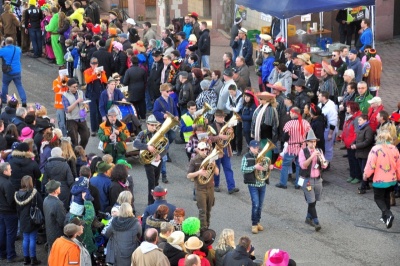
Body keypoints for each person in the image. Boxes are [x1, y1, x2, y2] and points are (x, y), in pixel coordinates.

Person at [364, 130, 400, 229]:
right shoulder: (394, 148)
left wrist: (366, 175)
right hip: (392, 178)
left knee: (378, 198)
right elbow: (398, 165)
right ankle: (385, 217)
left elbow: (371, 164)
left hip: (380, 179)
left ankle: (388, 214)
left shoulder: (376, 149)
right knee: (386, 196)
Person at [298, 129, 328, 231]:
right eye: (311, 141)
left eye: (314, 141)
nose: (313, 143)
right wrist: (311, 157)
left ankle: (308, 217)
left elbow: (324, 165)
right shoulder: (303, 152)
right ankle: (316, 222)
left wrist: (323, 161)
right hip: (307, 180)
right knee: (311, 201)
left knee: (314, 201)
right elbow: (303, 165)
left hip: (318, 179)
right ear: (307, 142)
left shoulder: (319, 151)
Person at [187, 141, 219, 232]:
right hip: (200, 189)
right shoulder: (194, 160)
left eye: (206, 149)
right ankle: (203, 230)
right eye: (202, 150)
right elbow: (188, 175)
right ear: (198, 150)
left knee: (209, 210)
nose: (204, 151)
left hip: (210, 188)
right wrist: (199, 173)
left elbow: (217, 173)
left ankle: (207, 227)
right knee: (202, 211)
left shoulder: (210, 159)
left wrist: (214, 165)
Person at [133, 115, 166, 204]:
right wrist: (147, 147)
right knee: (151, 183)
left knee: (156, 181)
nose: (153, 127)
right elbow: (135, 143)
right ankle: (150, 203)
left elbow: (166, 147)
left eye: (155, 125)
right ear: (147, 124)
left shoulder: (158, 133)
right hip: (148, 161)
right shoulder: (143, 133)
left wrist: (161, 155)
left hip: (157, 160)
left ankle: (157, 201)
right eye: (151, 125)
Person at [276, 107, 311, 189]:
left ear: (294, 113)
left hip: (291, 147)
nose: (290, 115)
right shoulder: (305, 122)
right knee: (299, 165)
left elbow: (285, 136)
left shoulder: (289, 123)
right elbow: (310, 133)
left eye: (291, 113)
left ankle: (283, 183)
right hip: (302, 147)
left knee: (285, 165)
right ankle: (298, 184)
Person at [241, 140, 271, 234]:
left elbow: (265, 168)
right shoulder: (246, 157)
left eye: (257, 148)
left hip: (262, 184)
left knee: (260, 205)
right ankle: (254, 224)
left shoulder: (263, 157)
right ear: (250, 147)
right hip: (253, 184)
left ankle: (258, 222)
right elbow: (243, 169)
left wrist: (268, 167)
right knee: (256, 204)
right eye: (254, 148)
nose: (256, 149)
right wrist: (254, 167)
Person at [209, 110, 239, 194]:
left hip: (225, 149)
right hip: (216, 150)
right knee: (216, 168)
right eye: (220, 117)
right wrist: (219, 136)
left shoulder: (227, 125)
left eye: (223, 117)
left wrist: (231, 133)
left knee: (228, 168)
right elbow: (209, 138)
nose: (222, 119)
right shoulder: (211, 126)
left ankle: (231, 187)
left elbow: (231, 137)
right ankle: (215, 185)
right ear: (215, 117)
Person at [14, 175, 43, 265]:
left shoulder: (17, 194)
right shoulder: (34, 193)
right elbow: (41, 205)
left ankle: (26, 259)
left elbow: (17, 209)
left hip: (23, 219)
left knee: (25, 239)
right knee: (32, 238)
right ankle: (33, 259)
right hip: (33, 218)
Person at [0, 162, 24, 263]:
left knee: (2, 232)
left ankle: (2, 253)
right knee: (10, 234)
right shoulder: (7, 183)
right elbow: (11, 200)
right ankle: (11, 255)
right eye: (9, 169)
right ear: (5, 171)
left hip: (1, 211)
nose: (11, 170)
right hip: (9, 212)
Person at [62, 78, 90, 148]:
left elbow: (85, 103)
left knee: (85, 137)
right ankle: (76, 154)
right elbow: (67, 110)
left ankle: (80, 150)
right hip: (72, 119)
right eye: (74, 87)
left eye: (77, 86)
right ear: (68, 87)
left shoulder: (80, 92)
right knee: (74, 140)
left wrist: (86, 105)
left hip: (82, 117)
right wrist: (76, 102)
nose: (76, 88)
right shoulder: (65, 95)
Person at [251, 92, 279, 161]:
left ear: (266, 100)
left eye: (261, 99)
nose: (259, 100)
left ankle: (267, 162)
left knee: (266, 148)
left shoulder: (269, 108)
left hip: (266, 133)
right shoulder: (261, 107)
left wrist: (259, 130)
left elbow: (267, 123)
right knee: (262, 148)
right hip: (261, 132)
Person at [84, 57, 108, 136]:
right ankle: (94, 129)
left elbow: (105, 80)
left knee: (100, 110)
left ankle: (100, 128)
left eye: (96, 64)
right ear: (90, 64)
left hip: (100, 93)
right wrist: (94, 74)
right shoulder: (87, 71)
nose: (95, 65)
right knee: (93, 112)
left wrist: (101, 73)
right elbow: (87, 80)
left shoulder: (101, 70)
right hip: (92, 93)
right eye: (93, 64)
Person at [0, 37, 27, 107]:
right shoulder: (18, 49)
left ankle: (4, 100)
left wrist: (2, 46)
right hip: (17, 70)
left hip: (8, 71)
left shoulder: (3, 50)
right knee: (19, 85)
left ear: (5, 42)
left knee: (5, 84)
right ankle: (24, 100)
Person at [350, 114, 374, 187]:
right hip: (360, 152)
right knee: (362, 169)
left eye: (360, 120)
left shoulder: (368, 129)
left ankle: (363, 186)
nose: (358, 121)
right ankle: (366, 185)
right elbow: (357, 138)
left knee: (364, 170)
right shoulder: (361, 128)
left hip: (365, 153)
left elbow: (368, 141)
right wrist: (353, 143)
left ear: (365, 120)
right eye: (358, 120)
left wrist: (356, 146)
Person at [341, 102, 362, 185]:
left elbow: (357, 132)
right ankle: (352, 175)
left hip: (352, 143)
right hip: (348, 142)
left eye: (348, 107)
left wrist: (353, 142)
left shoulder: (356, 118)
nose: (347, 108)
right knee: (351, 159)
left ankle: (357, 176)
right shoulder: (349, 116)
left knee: (355, 160)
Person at [43, 180, 66, 249]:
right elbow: (62, 221)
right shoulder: (57, 204)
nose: (60, 187)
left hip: (49, 232)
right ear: (55, 191)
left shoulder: (46, 199)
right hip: (57, 234)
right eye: (58, 187)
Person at [318, 91, 338, 166]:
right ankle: (323, 161)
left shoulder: (331, 107)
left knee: (328, 147)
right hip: (323, 129)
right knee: (323, 146)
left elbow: (333, 121)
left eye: (319, 96)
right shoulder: (320, 104)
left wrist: (330, 133)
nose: (318, 97)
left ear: (323, 97)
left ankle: (327, 163)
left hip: (329, 130)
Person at [226, 85, 244, 155]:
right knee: (231, 132)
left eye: (232, 92)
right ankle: (233, 148)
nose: (231, 94)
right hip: (232, 116)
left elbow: (238, 109)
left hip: (238, 116)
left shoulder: (240, 96)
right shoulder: (230, 96)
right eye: (230, 92)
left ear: (235, 90)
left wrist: (231, 107)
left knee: (238, 133)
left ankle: (239, 149)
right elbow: (226, 105)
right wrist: (233, 108)